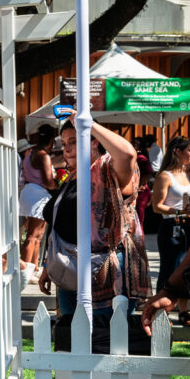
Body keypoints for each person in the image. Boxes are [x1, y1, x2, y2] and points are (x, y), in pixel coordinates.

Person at [39, 115, 150, 317]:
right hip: (69, 268)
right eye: (64, 144)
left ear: (95, 142)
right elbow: (58, 221)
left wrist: (87, 123)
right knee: (72, 338)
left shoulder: (109, 169)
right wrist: (48, 264)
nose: (67, 149)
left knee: (103, 339)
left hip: (106, 272)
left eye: (74, 142)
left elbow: (127, 155)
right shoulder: (74, 176)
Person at [150, 135, 190, 326]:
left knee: (186, 269)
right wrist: (180, 210)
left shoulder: (187, 174)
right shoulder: (164, 176)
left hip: (188, 225)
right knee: (169, 267)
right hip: (171, 226)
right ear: (178, 151)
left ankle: (184, 311)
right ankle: (161, 311)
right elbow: (156, 206)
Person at [19, 124, 56, 278]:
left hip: (30, 192)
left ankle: (33, 269)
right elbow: (48, 181)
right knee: (33, 235)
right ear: (51, 140)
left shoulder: (30, 153)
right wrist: (58, 188)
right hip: (39, 194)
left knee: (37, 235)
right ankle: (24, 272)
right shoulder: (43, 155)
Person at [132, 136, 153, 230]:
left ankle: (139, 243)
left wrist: (140, 185)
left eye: (134, 145)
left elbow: (149, 172)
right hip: (138, 193)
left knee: (138, 223)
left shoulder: (141, 158)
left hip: (141, 194)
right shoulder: (136, 158)